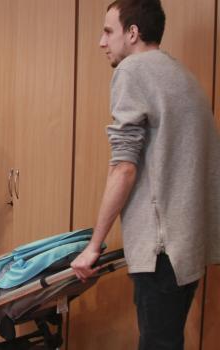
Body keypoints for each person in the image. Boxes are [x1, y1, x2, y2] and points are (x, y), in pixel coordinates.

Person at [70, 1, 220, 349]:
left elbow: (124, 165)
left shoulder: (133, 70)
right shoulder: (182, 75)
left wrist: (94, 246)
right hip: (188, 246)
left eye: (108, 31)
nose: (101, 42)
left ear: (132, 33)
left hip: (161, 250)